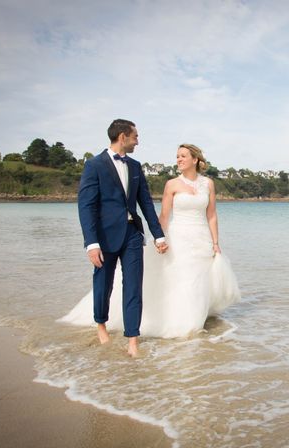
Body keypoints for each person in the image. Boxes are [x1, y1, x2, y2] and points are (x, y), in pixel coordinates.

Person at [61, 143, 240, 340]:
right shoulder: (172, 184)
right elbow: (163, 216)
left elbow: (212, 215)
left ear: (195, 159)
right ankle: (185, 325)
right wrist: (159, 238)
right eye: (177, 156)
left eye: (183, 156)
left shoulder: (208, 184)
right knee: (183, 280)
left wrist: (215, 242)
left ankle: (197, 319)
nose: (178, 160)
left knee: (200, 281)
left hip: (201, 239)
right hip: (178, 237)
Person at [76, 119, 167, 357]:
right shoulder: (94, 165)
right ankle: (101, 325)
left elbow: (146, 204)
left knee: (134, 287)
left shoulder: (136, 167)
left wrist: (158, 235)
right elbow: (86, 206)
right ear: (122, 137)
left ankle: (133, 341)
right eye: (135, 136)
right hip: (104, 237)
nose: (138, 140)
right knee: (103, 284)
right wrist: (91, 243)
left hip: (132, 235)